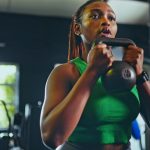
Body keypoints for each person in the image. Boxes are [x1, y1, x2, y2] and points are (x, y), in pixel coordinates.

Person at [40, 0, 150, 150]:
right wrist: (92, 71)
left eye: (111, 18)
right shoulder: (65, 72)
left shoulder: (128, 72)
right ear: (78, 28)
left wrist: (139, 74)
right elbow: (52, 138)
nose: (106, 21)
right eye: (95, 16)